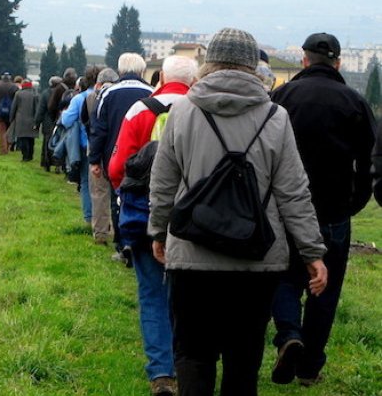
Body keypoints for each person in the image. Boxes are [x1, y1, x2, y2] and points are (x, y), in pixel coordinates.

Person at [148, 28, 328, 396]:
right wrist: (312, 252)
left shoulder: (182, 111)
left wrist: (157, 231)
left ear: (208, 64)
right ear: (253, 66)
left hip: (192, 256)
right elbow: (294, 192)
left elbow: (163, 181)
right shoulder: (275, 117)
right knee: (243, 361)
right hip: (256, 261)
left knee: (193, 355)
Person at [269, 32, 376, 387]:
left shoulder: (281, 97)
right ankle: (310, 366)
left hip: (286, 209)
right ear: (338, 63)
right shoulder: (355, 102)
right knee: (324, 291)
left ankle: (288, 335)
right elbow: (367, 162)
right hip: (333, 212)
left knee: (285, 278)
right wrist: (354, 203)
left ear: (303, 60)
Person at [107, 55, 198, 396]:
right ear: (194, 81)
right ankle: (188, 362)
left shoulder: (141, 110)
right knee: (187, 296)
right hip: (193, 221)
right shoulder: (202, 111)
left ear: (160, 76)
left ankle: (161, 373)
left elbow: (118, 167)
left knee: (151, 293)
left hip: (145, 215)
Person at [89, 53, 154, 261]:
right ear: (142, 70)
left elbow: (99, 129)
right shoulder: (151, 92)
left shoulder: (108, 93)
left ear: (120, 70)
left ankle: (122, 243)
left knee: (117, 198)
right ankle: (142, 241)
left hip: (114, 154)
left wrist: (94, 160)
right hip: (145, 157)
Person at [81, 67, 119, 245]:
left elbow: (85, 121)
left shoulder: (91, 98)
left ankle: (100, 233)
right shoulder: (119, 97)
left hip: (96, 147)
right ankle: (118, 230)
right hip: (117, 148)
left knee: (98, 193)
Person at [59, 67, 101, 224]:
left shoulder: (79, 99)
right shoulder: (105, 96)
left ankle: (89, 217)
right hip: (104, 145)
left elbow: (66, 121)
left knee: (85, 182)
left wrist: (63, 113)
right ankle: (104, 218)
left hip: (85, 145)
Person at [35, 75, 62, 170]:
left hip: (48, 121)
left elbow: (41, 109)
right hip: (59, 120)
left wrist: (37, 122)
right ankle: (58, 164)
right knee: (59, 142)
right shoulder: (62, 93)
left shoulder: (45, 93)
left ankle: (46, 163)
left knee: (47, 142)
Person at [10, 78, 38, 161]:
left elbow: (14, 107)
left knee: (23, 138)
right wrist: (37, 121)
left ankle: (25, 156)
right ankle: (30, 155)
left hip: (20, 119)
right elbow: (37, 108)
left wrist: (11, 118)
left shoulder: (18, 94)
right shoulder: (35, 95)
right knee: (31, 139)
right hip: (32, 119)